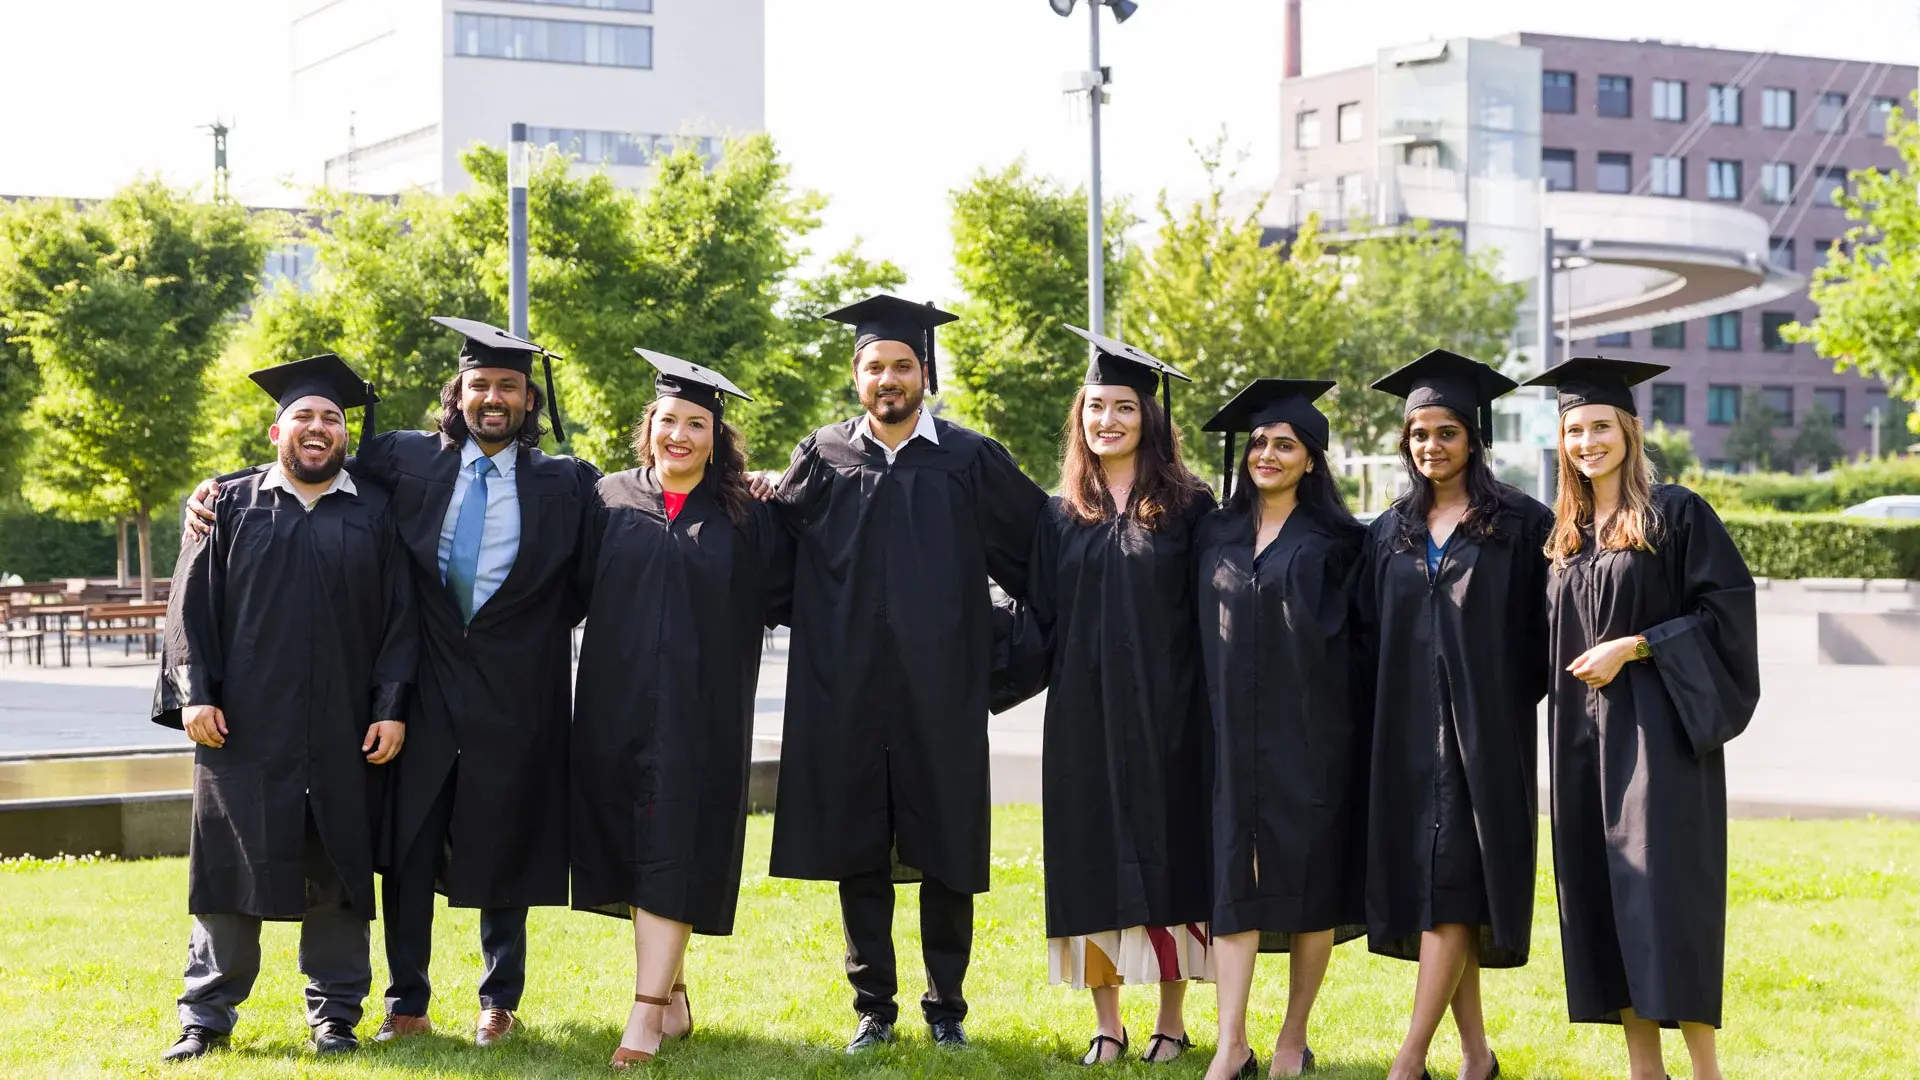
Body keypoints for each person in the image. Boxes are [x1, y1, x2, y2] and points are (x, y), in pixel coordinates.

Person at [184, 317, 600, 1047]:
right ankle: (407, 1000)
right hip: (426, 687)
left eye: (508, 386)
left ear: (530, 400)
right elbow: (307, 464)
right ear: (458, 393)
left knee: (507, 840)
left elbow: (602, 562)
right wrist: (214, 488)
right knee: (408, 845)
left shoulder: (566, 481)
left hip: (520, 691)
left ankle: (498, 1000)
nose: (492, 398)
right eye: (479, 385)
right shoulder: (406, 460)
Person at [762, 293, 1049, 1052]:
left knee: (948, 846)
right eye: (875, 367)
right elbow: (775, 557)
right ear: (856, 376)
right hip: (846, 691)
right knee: (858, 847)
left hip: (939, 695)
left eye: (902, 366)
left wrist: (994, 666)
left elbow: (1043, 560)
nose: (888, 379)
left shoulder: (968, 458)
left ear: (925, 371)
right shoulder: (823, 455)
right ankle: (874, 1011)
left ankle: (947, 1009)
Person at [154, 354, 417, 1061]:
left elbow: (400, 618)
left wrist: (391, 706)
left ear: (343, 435)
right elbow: (190, 607)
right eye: (304, 416)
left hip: (342, 727)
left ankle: (335, 1018)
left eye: (331, 418)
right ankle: (204, 1018)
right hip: (244, 727)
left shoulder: (376, 512)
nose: (318, 427)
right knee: (228, 873)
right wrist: (195, 693)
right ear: (277, 431)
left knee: (338, 869)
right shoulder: (229, 505)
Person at [1525, 357, 1760, 1080]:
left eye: (1601, 426)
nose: (1588, 441)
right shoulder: (1565, 535)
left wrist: (1636, 646)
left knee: (1668, 899)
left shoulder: (1676, 512)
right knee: (1603, 893)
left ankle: (1705, 1071)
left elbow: (1727, 612)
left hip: (1660, 739)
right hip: (1580, 744)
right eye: (1574, 430)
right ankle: (1643, 1070)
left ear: (1628, 429)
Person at [570, 351, 793, 1070]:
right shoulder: (606, 500)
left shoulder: (747, 514)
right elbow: (559, 589)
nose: (680, 435)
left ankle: (642, 1016)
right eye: (669, 420)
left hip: (703, 714)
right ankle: (674, 994)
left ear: (716, 436)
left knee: (674, 848)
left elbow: (801, 588)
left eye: (697, 423)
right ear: (650, 427)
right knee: (636, 851)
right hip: (614, 705)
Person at [1355, 350, 1552, 1080]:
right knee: (1447, 896)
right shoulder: (1388, 532)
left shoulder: (1523, 524)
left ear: (1474, 436)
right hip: (1405, 739)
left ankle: (1408, 1059)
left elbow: (1546, 632)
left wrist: (1493, 700)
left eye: (1445, 432)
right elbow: (1367, 635)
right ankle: (1475, 1057)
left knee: (1455, 888)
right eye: (1417, 435)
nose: (1430, 446)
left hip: (1487, 742)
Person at [1025, 327, 1214, 1066]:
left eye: (1124, 409)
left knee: (1174, 853)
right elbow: (1038, 615)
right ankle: (1108, 1021)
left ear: (1149, 420)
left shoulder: (1193, 507)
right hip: (1082, 714)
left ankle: (1172, 1018)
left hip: (1172, 711)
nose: (1108, 421)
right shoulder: (1062, 510)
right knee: (1089, 856)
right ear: (1081, 417)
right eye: (1096, 408)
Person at [1195, 379, 1369, 1080]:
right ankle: (1230, 1043)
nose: (1267, 453)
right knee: (1233, 881)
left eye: (1284, 444)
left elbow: (1366, 642)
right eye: (1260, 442)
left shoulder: (1341, 541)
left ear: (1311, 460)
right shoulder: (1214, 532)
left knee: (1309, 884)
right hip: (1230, 731)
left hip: (1313, 735)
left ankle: (1292, 1037)